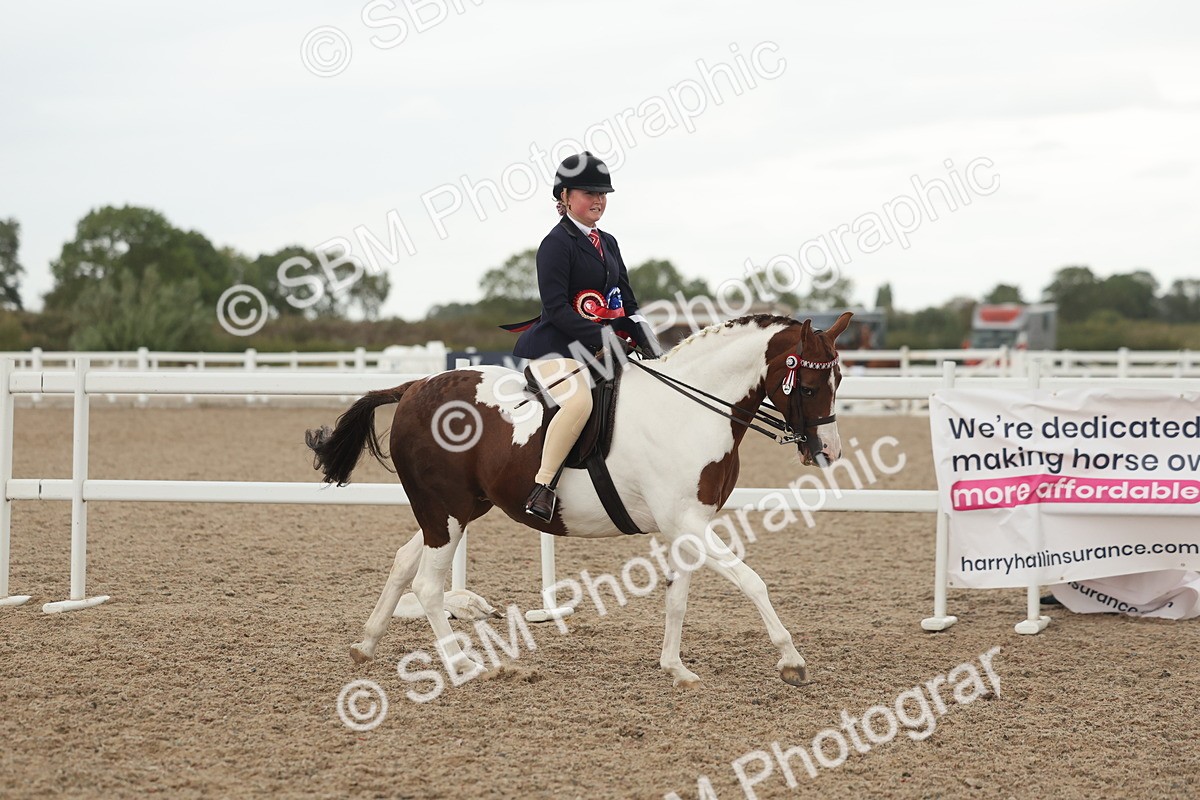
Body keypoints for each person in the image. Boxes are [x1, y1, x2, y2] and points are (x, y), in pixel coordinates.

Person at [508, 151, 663, 522]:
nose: (599, 200)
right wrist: (604, 335)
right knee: (579, 403)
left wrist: (646, 338)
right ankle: (543, 486)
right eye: (589, 193)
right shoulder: (555, 244)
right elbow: (557, 309)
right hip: (556, 351)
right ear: (564, 197)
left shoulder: (608, 242)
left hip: (599, 350)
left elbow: (627, 300)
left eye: (603, 194)